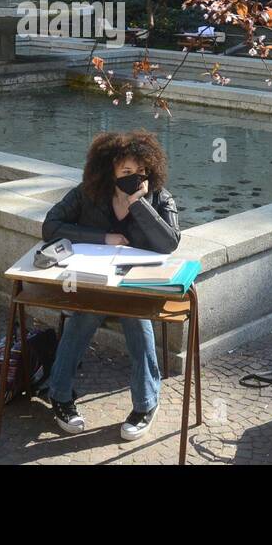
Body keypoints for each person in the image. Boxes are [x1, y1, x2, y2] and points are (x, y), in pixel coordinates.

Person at [41, 130, 182, 442]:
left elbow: (169, 243)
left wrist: (138, 204)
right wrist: (103, 238)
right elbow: (50, 226)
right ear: (110, 170)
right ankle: (60, 395)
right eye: (126, 172)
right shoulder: (88, 193)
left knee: (134, 312)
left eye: (141, 171)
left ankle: (146, 403)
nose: (135, 177)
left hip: (135, 288)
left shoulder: (160, 197)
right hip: (94, 282)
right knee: (87, 312)